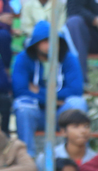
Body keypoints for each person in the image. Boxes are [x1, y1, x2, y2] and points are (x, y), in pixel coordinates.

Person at [12, 21, 87, 157]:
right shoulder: (23, 59)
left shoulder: (69, 58)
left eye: (54, 40)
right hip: (36, 114)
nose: (51, 44)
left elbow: (76, 91)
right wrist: (55, 100)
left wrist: (39, 93)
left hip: (61, 114)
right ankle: (27, 157)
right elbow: (20, 91)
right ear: (36, 43)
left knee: (78, 103)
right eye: (46, 41)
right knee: (22, 106)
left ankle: (78, 157)